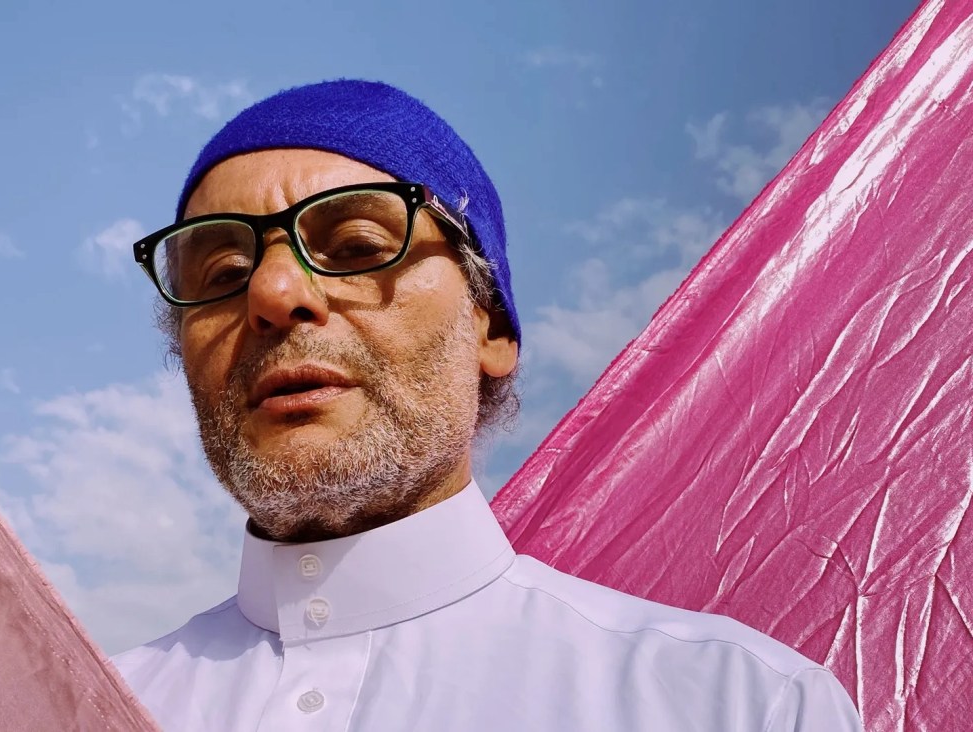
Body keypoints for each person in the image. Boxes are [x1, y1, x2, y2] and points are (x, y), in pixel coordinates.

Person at [112, 79, 863, 731]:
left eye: (357, 244)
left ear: (491, 324)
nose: (273, 294)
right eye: (224, 269)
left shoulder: (738, 706)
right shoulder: (71, 708)